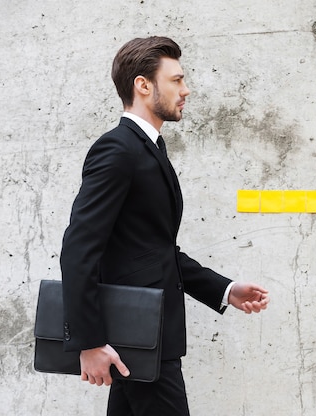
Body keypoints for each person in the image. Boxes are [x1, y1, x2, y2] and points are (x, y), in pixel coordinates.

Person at [60, 36, 269, 415]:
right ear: (143, 85)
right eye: (176, 80)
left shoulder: (149, 148)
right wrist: (88, 343)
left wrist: (224, 289)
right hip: (138, 337)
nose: (185, 90)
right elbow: (79, 248)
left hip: (147, 339)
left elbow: (153, 249)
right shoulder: (118, 150)